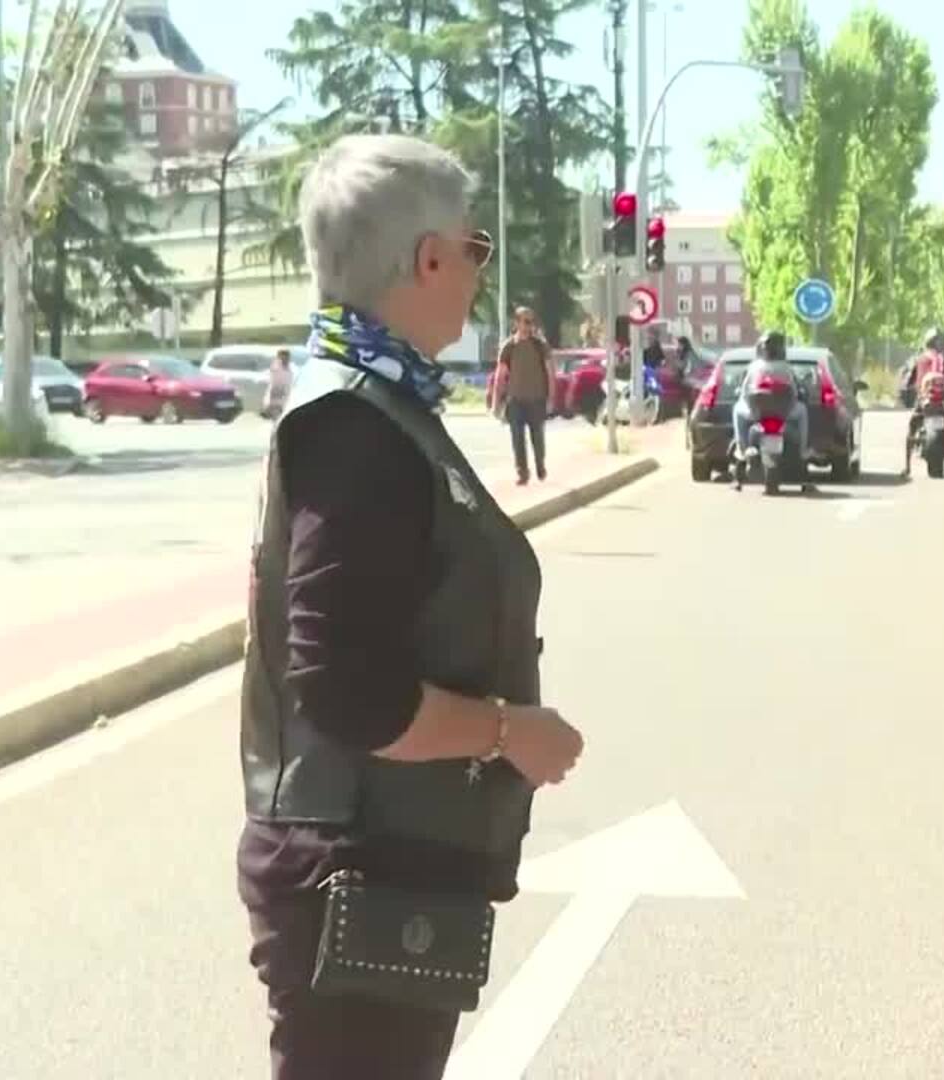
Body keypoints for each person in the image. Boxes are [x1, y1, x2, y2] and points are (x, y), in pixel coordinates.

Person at [238, 134, 584, 1080]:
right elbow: (349, 693)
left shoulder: (385, 407)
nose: (479, 273)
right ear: (429, 259)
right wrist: (509, 732)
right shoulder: (354, 427)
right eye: (475, 249)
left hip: (388, 865)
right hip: (355, 868)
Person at [731, 330, 813, 491]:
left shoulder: (754, 367)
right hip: (785, 414)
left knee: (736, 410)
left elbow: (744, 392)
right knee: (803, 411)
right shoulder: (786, 367)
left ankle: (742, 448)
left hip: (756, 414)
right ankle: (803, 450)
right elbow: (796, 392)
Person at [490, 305, 554, 484]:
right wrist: (496, 403)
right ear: (516, 323)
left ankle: (540, 464)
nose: (528, 326)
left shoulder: (540, 345)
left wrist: (551, 398)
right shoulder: (509, 347)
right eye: (525, 321)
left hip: (536, 399)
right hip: (515, 400)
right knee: (517, 438)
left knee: (537, 437)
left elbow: (550, 373)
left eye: (531, 322)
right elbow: (500, 376)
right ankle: (522, 472)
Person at [899, 328, 944, 478]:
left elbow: (907, 381)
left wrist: (907, 388)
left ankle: (907, 467)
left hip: (924, 402)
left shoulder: (918, 360)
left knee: (912, 429)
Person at [264, 348, 294, 419]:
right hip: (276, 396)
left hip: (285, 397)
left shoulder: (291, 368)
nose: (284, 359)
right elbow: (272, 383)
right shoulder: (275, 368)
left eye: (286, 358)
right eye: (282, 358)